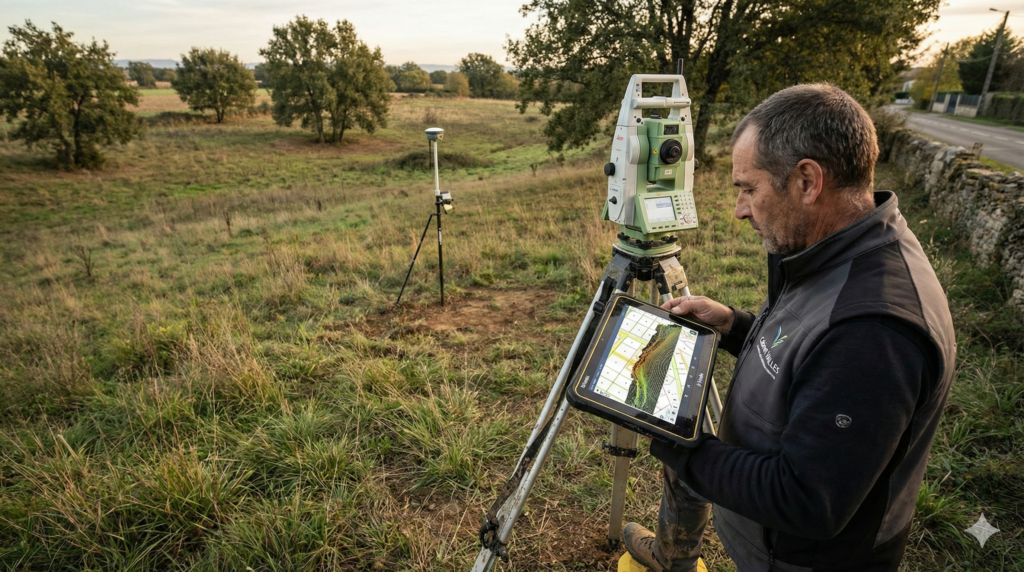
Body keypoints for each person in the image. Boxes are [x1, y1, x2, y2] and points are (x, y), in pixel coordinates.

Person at [621, 84, 956, 571]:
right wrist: (736, 326)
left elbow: (806, 499)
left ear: (806, 182)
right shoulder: (835, 252)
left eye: (749, 188)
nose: (739, 209)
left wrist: (677, 443)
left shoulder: (873, 332)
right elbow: (811, 359)